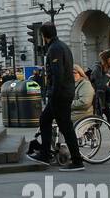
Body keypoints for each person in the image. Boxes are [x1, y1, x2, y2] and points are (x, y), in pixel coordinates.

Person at [29, 23, 83, 171]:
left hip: (60, 94)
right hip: (64, 92)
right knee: (46, 120)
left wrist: (52, 93)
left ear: (43, 36)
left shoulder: (55, 49)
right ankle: (46, 154)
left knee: (65, 126)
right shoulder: (62, 46)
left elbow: (57, 74)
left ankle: (76, 160)